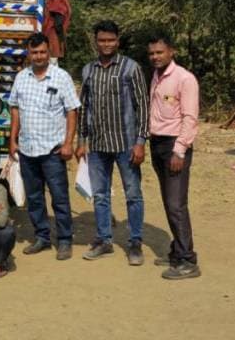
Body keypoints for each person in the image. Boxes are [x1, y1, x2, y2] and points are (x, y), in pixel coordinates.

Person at [75, 20, 150, 265]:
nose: (106, 44)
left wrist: (140, 141)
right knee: (100, 195)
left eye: (111, 40)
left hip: (126, 144)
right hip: (97, 145)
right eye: (102, 40)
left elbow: (143, 107)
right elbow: (84, 107)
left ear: (118, 41)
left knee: (133, 194)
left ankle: (135, 242)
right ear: (96, 42)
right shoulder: (88, 70)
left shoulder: (131, 68)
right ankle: (104, 239)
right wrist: (81, 140)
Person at [7, 32, 81, 261]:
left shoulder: (61, 77)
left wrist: (69, 142)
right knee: (34, 197)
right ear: (28, 54)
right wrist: (12, 138)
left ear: (49, 52)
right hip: (28, 149)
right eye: (34, 52)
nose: (39, 56)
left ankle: (65, 239)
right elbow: (15, 108)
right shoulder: (21, 77)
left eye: (42, 52)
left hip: (53, 150)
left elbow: (72, 111)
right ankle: (42, 237)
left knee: (59, 197)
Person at [147, 32, 201, 280]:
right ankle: (177, 253)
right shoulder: (157, 77)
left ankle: (188, 260)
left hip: (174, 147)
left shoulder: (184, 79)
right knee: (169, 202)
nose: (155, 57)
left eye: (159, 52)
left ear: (171, 52)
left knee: (176, 204)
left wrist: (180, 150)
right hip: (157, 143)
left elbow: (190, 118)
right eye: (152, 53)